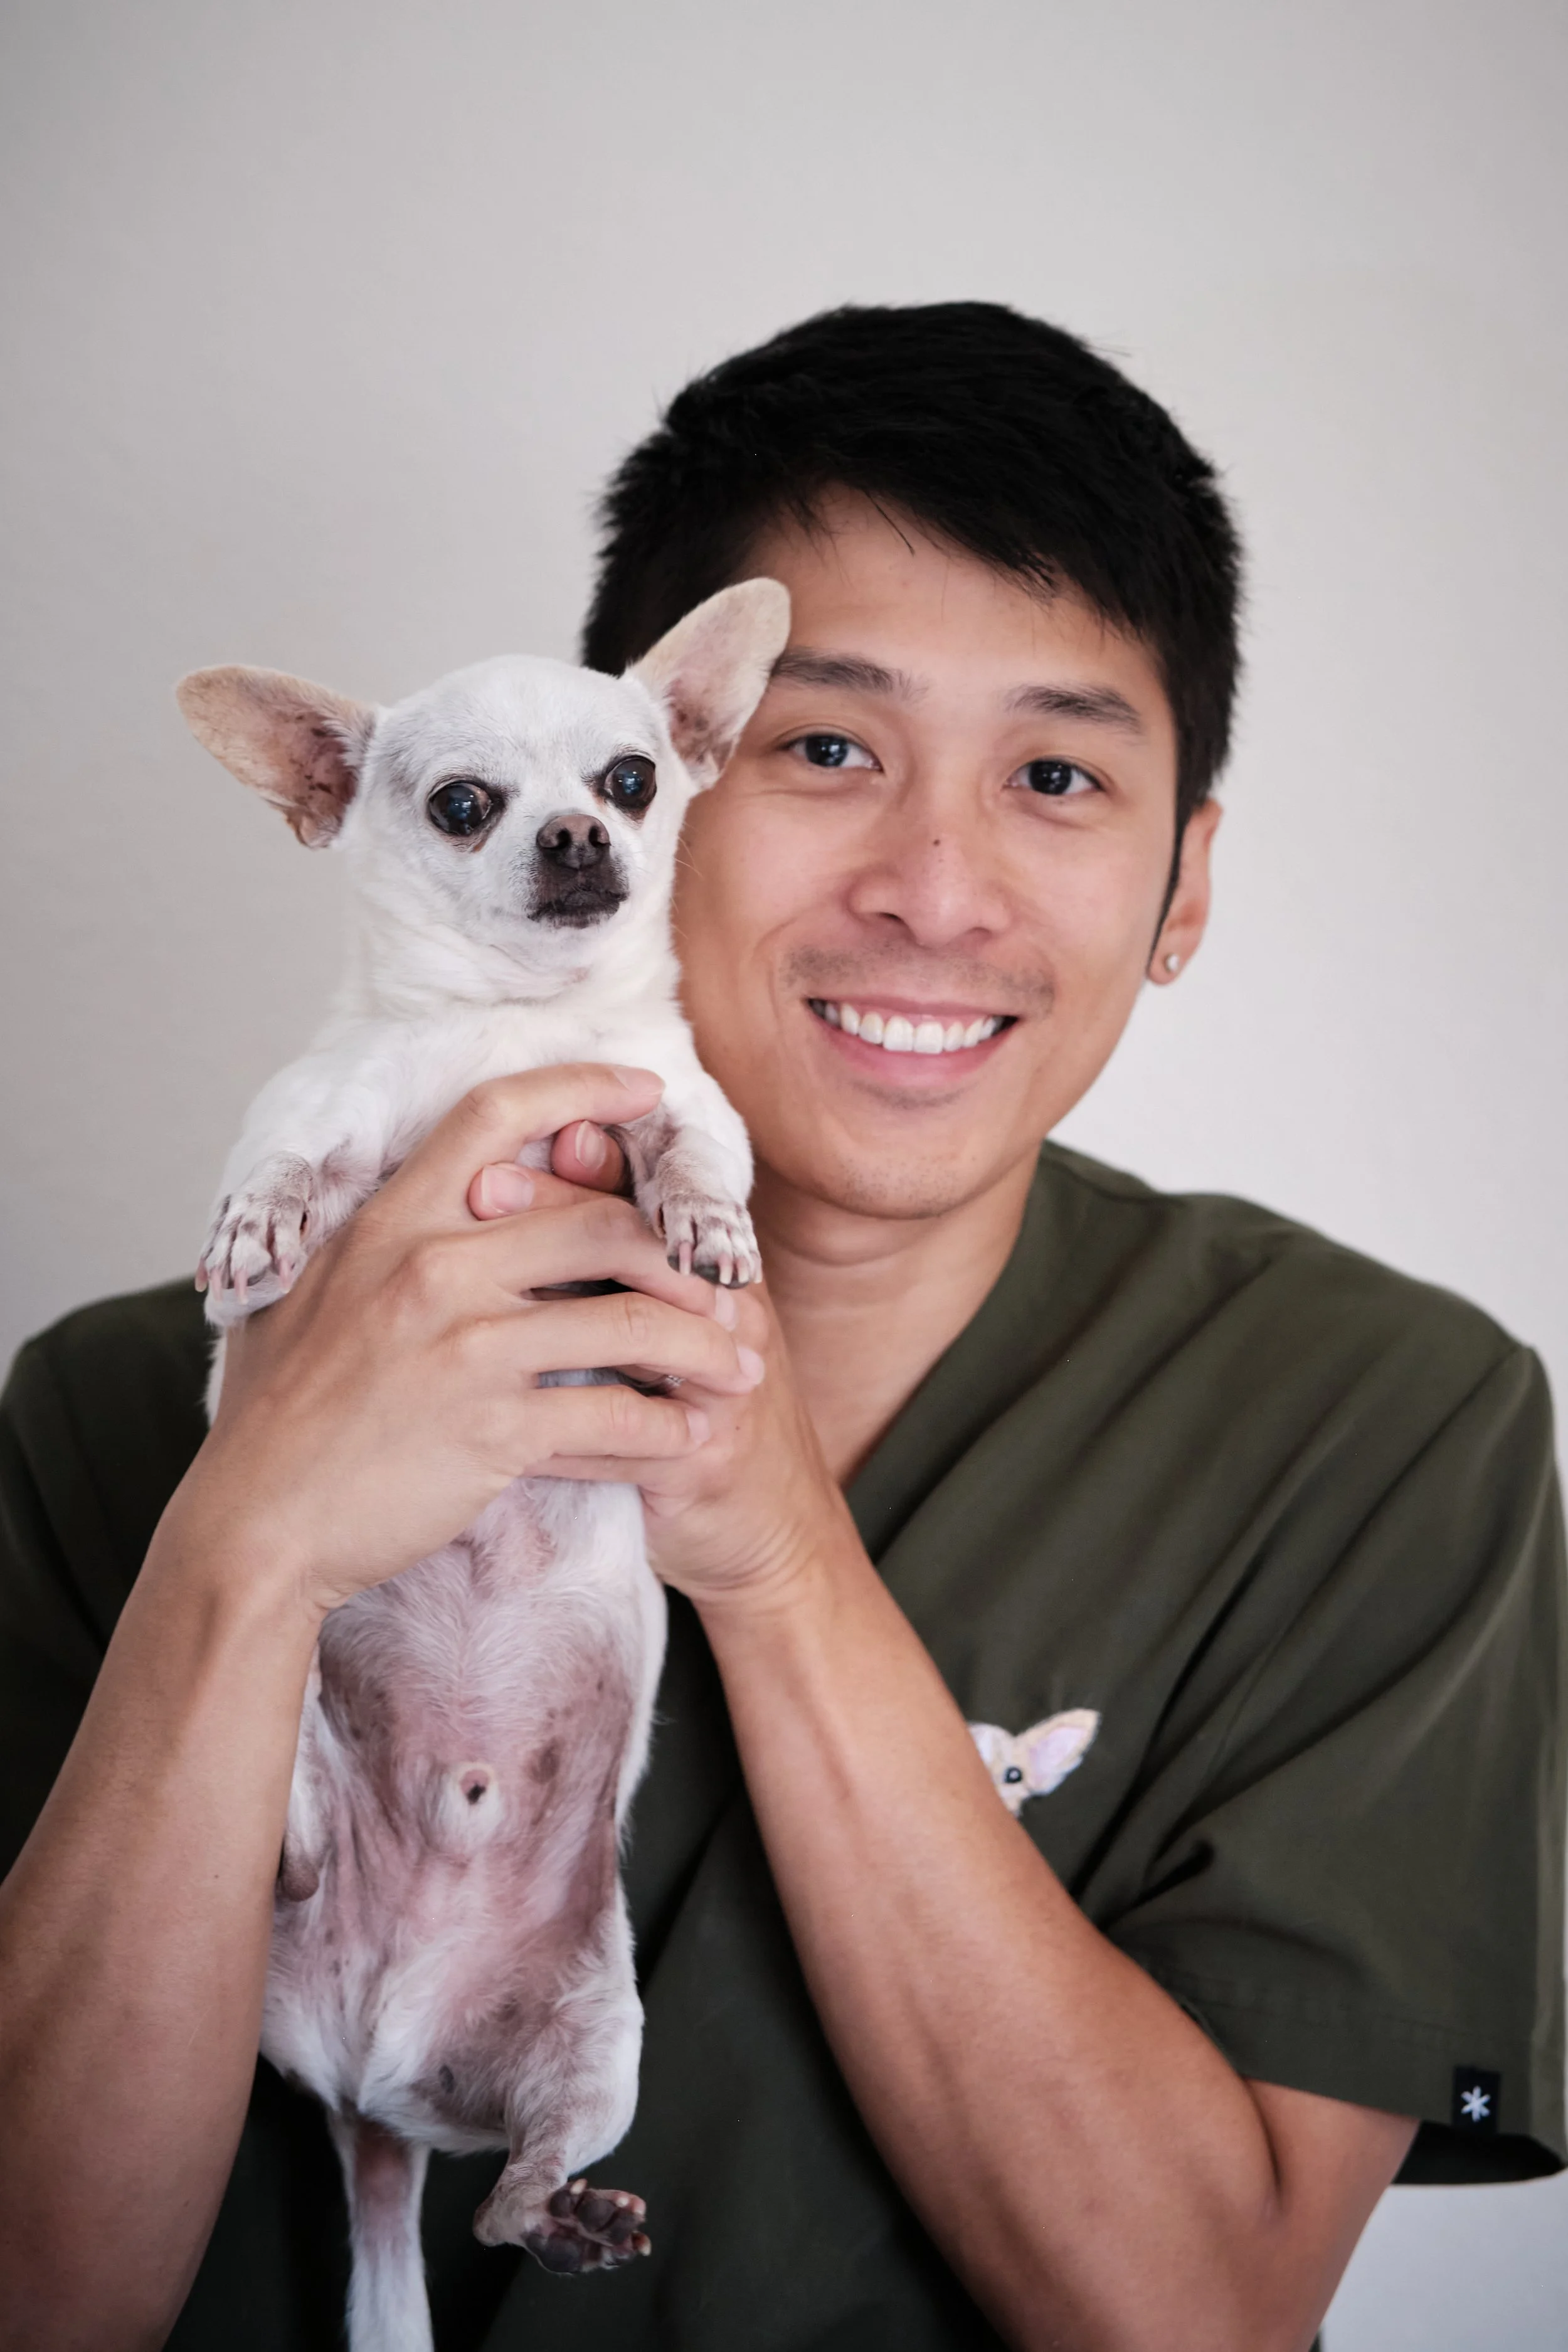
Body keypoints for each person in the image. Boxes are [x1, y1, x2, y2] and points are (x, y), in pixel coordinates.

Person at [0, 302, 1562, 2352]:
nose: (934, 886)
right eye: (825, 748)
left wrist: (775, 1549)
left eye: (1057, 773)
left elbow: (1201, 2315)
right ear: (666, 783)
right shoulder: (119, 1407)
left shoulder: (1374, 1428)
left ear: (1183, 887)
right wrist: (249, 1542)